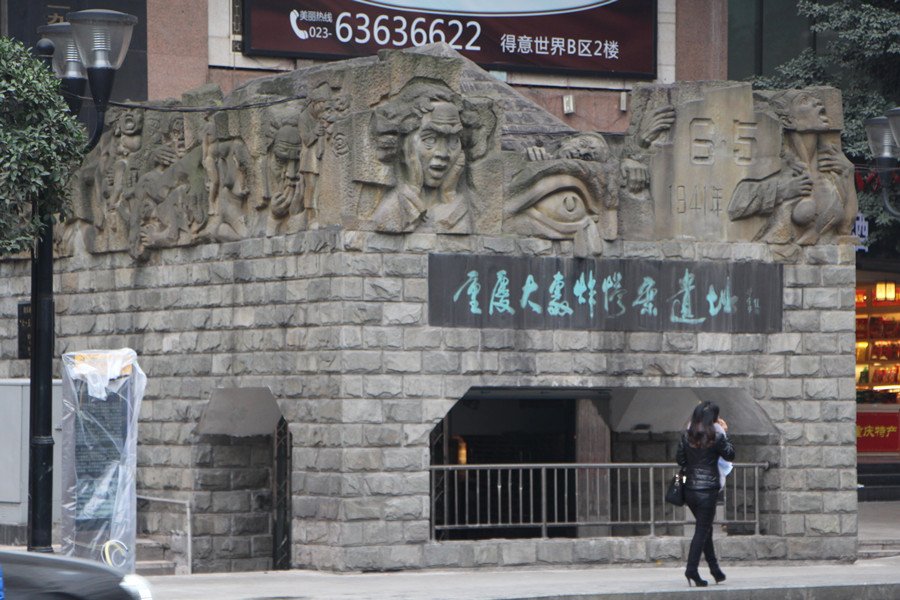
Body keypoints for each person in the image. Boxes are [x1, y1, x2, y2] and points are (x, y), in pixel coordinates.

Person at [676, 401, 735, 587]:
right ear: (713, 419)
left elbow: (680, 460)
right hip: (708, 490)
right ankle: (691, 569)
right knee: (702, 531)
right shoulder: (716, 436)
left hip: (690, 489)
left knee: (705, 528)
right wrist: (725, 433)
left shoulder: (687, 436)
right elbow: (730, 455)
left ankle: (715, 569)